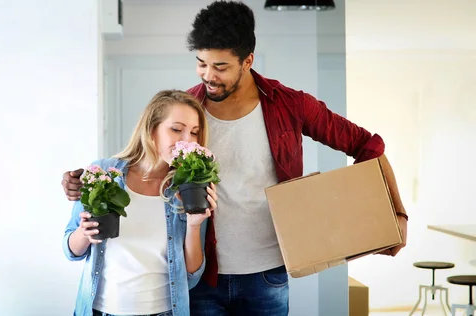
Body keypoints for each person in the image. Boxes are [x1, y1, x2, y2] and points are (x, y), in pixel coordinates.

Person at [62, 1, 408, 315]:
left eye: (221, 66)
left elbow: (368, 144)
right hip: (201, 278)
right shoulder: (190, 112)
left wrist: (395, 215)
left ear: (248, 61)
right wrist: (90, 180)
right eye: (201, 63)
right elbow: (146, 162)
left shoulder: (290, 105)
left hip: (267, 274)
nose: (208, 75)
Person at [63, 90, 218, 316]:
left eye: (194, 133)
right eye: (176, 129)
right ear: (151, 129)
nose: (187, 141)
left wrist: (194, 225)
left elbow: (192, 276)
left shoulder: (190, 186)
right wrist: (84, 233)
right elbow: (70, 250)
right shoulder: (105, 172)